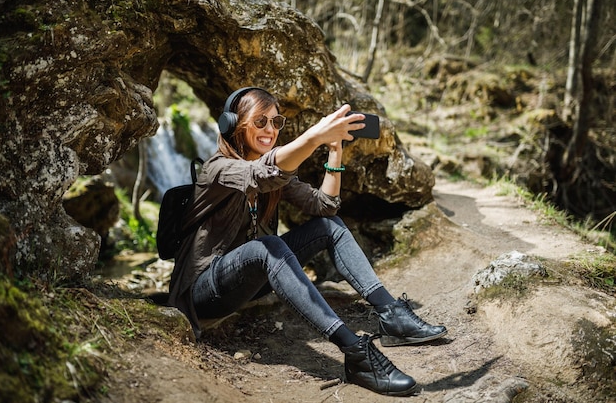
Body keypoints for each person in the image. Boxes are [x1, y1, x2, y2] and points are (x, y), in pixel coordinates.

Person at [168, 87, 447, 397]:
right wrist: (313, 137)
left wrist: (334, 149)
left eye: (276, 123)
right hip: (206, 289)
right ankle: (355, 352)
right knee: (268, 248)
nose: (270, 130)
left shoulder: (272, 171)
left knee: (330, 226)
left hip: (249, 280)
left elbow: (324, 206)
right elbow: (262, 175)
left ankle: (391, 315)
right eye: (261, 121)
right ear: (233, 125)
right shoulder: (217, 169)